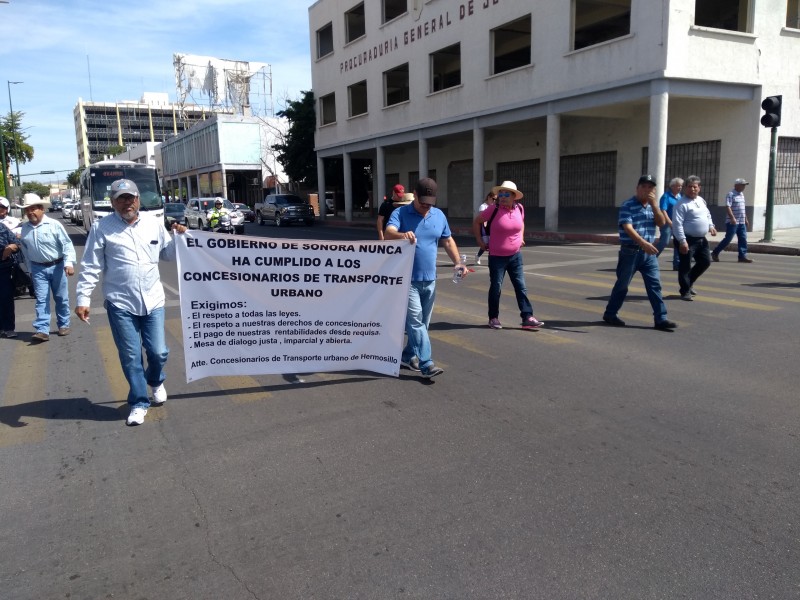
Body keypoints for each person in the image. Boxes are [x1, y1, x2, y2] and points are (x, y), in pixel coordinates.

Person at [75, 179, 188, 426]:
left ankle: (156, 380)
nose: (127, 202)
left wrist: (180, 238)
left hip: (153, 299)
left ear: (138, 199)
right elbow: (92, 266)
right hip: (120, 302)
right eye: (121, 198)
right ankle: (138, 402)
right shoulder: (102, 228)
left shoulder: (153, 223)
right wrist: (83, 298)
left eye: (131, 197)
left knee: (158, 352)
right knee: (130, 356)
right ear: (113, 202)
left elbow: (167, 255)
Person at [385, 177, 466, 379]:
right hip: (407, 280)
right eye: (423, 203)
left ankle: (407, 355)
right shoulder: (400, 212)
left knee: (424, 323)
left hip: (430, 279)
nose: (426, 207)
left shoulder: (438, 216)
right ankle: (426, 363)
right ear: (415, 194)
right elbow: (388, 233)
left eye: (430, 203)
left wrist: (458, 262)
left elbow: (447, 240)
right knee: (416, 323)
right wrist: (402, 235)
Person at [602, 175, 677, 331]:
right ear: (637, 188)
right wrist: (643, 243)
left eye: (650, 187)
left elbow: (661, 223)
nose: (647, 190)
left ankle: (661, 318)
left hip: (648, 255)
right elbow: (627, 227)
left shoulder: (652, 206)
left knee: (655, 285)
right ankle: (610, 314)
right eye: (644, 187)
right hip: (630, 252)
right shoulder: (627, 205)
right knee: (622, 285)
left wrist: (655, 205)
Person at [472, 181, 544, 331]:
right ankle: (493, 318)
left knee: (521, 287)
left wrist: (521, 237)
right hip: (497, 257)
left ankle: (527, 317)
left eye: (507, 194)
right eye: (501, 194)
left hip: (515, 256)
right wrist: (480, 241)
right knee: (496, 287)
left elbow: (521, 224)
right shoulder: (493, 209)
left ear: (514, 197)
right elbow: (477, 221)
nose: (503, 197)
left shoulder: (520, 208)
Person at [18, 193, 76, 342]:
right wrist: (30, 269)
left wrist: (69, 263)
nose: (31, 212)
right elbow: (25, 251)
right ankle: (42, 329)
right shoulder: (24, 229)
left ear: (41, 209)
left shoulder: (54, 225)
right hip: (38, 269)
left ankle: (63, 324)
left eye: (34, 209)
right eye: (28, 210)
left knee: (61, 298)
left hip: (57, 266)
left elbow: (67, 245)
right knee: (41, 299)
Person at [672, 175, 717, 301]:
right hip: (687, 239)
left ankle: (689, 281)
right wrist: (682, 241)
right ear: (685, 188)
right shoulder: (681, 204)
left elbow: (707, 214)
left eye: (695, 187)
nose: (692, 189)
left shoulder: (701, 200)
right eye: (690, 187)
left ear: (699, 188)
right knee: (685, 265)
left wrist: (711, 226)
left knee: (705, 262)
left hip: (701, 239)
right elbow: (677, 224)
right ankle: (685, 291)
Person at [711, 178, 753, 263]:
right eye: (742, 185)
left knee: (743, 239)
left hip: (741, 222)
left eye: (744, 185)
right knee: (728, 239)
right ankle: (715, 252)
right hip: (733, 222)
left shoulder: (741, 195)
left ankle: (742, 256)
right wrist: (732, 218)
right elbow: (728, 207)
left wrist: (746, 219)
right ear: (736, 185)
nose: (744, 187)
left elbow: (742, 208)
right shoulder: (730, 194)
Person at [654, 177, 682, 270]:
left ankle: (677, 264)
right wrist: (669, 221)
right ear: (672, 186)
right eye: (678, 186)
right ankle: (651, 259)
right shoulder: (666, 196)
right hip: (667, 223)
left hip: (678, 223)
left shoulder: (680, 197)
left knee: (678, 243)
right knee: (664, 241)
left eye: (681, 186)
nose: (680, 188)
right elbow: (663, 210)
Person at [0, 220, 21, 337]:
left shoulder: (2, 227)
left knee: (6, 298)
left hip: (4, 268)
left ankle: (8, 328)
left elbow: (16, 243)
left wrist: (12, 247)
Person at [474, 191, 496, 265]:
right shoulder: (483, 206)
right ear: (489, 197)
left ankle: (491, 261)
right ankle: (478, 256)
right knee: (485, 245)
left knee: (492, 243)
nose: (494, 201)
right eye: (493, 199)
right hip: (484, 228)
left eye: (496, 199)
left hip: (492, 227)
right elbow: (482, 217)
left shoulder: (494, 206)